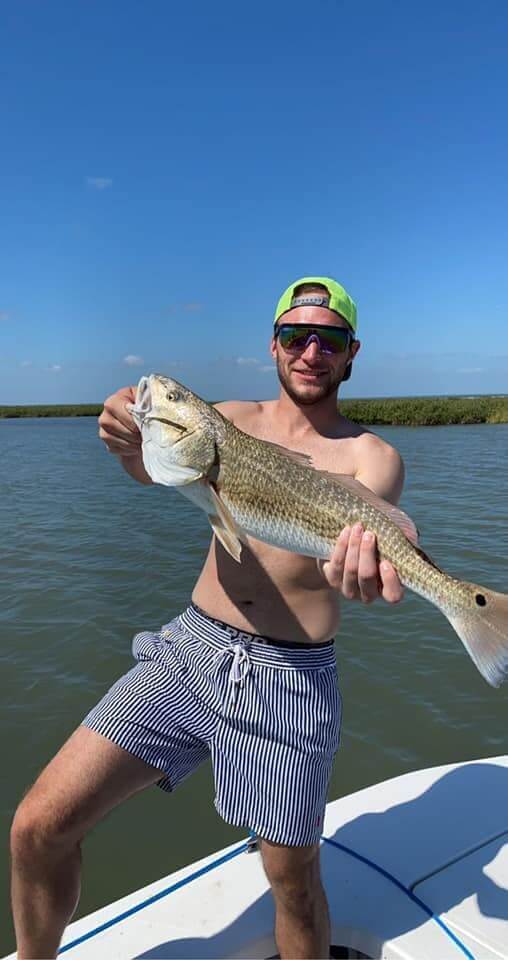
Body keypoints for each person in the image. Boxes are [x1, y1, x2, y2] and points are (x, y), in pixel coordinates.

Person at [10, 276, 407, 960]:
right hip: (186, 650)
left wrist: (366, 575)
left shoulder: (373, 458)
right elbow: (157, 464)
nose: (311, 351)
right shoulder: (228, 418)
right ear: (273, 345)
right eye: (295, 335)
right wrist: (125, 434)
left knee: (292, 879)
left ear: (351, 353)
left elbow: (356, 563)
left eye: (330, 339)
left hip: (290, 677)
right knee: (37, 826)